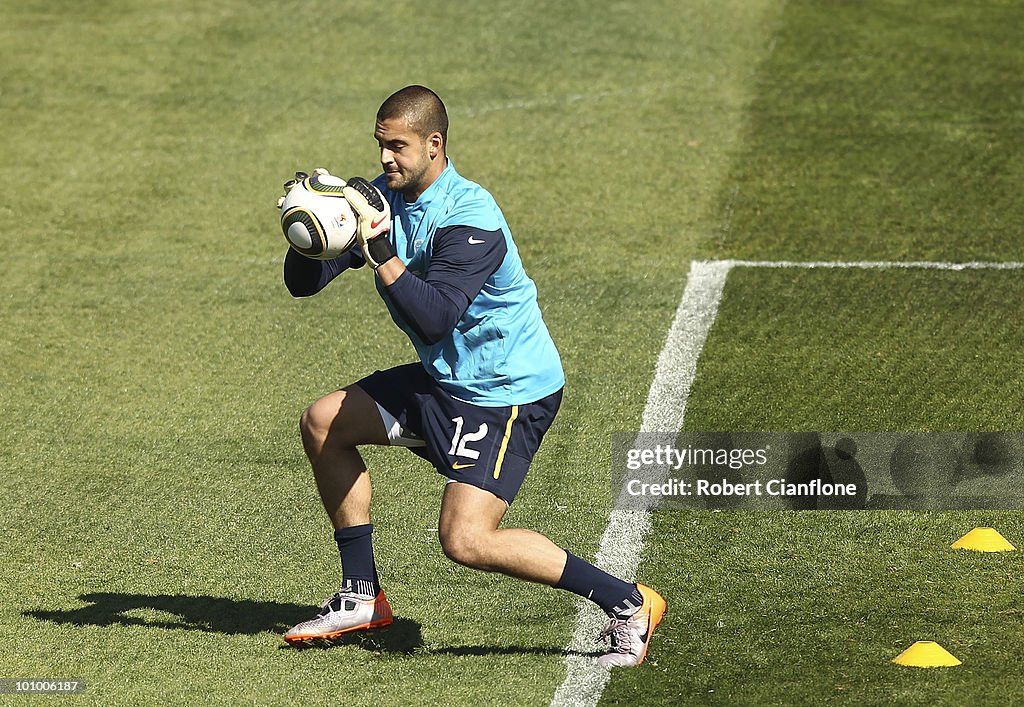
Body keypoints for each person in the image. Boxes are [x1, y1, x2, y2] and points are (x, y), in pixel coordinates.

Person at [280, 85, 665, 668]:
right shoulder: (384, 199)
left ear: (434, 145)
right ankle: (361, 596)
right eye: (381, 145)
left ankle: (629, 601)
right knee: (323, 423)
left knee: (467, 540)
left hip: (506, 394)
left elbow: (435, 318)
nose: (385, 160)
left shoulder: (471, 216)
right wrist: (314, 222)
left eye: (398, 147)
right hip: (445, 382)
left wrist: (378, 244)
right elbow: (302, 283)